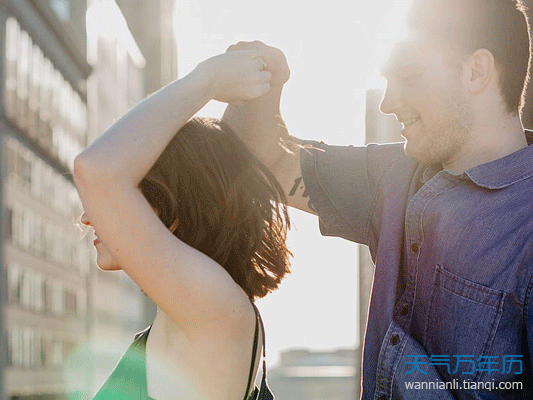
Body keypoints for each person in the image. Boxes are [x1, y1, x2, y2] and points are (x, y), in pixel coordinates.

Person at [222, 0, 533, 398]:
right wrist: (268, 81)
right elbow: (261, 160)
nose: (388, 102)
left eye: (410, 76)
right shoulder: (393, 176)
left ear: (477, 71)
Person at [74, 50, 290, 400]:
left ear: (178, 205)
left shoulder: (215, 310)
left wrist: (209, 77)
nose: (88, 217)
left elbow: (96, 171)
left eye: (129, 193)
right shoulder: (180, 321)